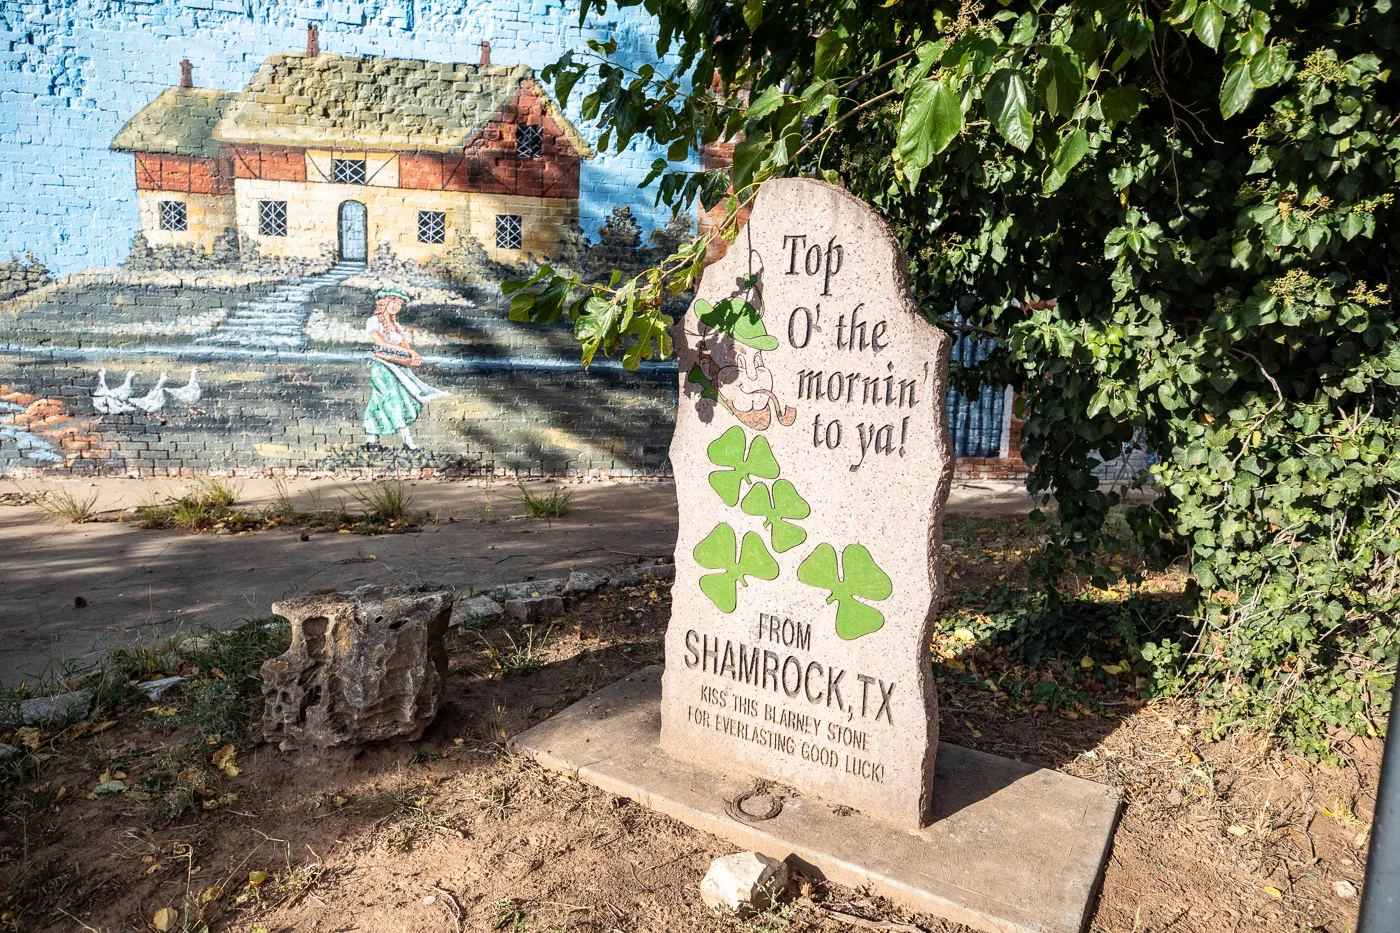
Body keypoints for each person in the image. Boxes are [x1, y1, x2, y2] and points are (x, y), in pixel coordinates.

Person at [362, 285, 446, 449]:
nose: (396, 306)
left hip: (397, 366)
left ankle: (373, 440)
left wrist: (411, 357)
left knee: (390, 400)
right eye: (393, 301)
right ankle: (404, 441)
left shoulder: (397, 327)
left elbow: (406, 348)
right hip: (382, 367)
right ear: (384, 302)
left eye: (399, 303)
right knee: (391, 399)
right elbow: (381, 343)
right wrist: (408, 353)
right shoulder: (373, 322)